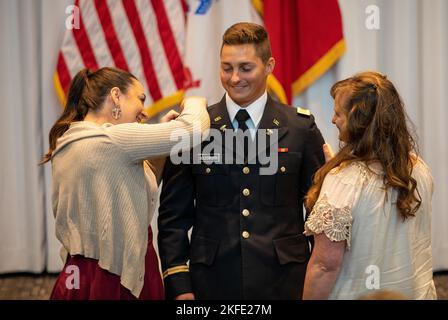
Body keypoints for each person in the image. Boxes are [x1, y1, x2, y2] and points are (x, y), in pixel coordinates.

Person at [158, 22, 325, 300]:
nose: (235, 78)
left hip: (284, 282)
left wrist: (315, 281)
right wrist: (179, 285)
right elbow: (173, 218)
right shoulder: (194, 129)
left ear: (269, 65)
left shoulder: (299, 128)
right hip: (211, 281)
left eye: (246, 68)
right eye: (226, 68)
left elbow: (318, 212)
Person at [41, 67, 209, 299]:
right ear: (116, 96)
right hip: (113, 275)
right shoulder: (112, 139)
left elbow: (136, 189)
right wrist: (194, 100)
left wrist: (162, 146)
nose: (144, 112)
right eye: (140, 99)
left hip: (82, 272)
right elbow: (193, 129)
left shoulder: (72, 138)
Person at [302, 71, 437, 300]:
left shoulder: (343, 182)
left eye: (338, 114)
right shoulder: (419, 169)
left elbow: (324, 266)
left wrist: (335, 180)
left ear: (358, 122)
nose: (333, 120)